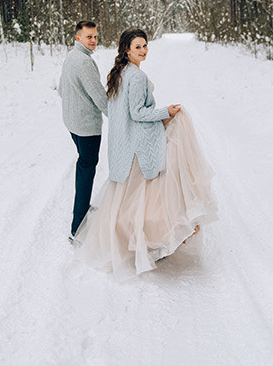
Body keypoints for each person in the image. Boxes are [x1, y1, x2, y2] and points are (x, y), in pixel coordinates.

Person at [73, 29, 217, 279]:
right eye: (138, 47)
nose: (143, 51)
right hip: (137, 144)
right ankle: (150, 240)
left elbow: (121, 112)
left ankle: (133, 240)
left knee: (128, 198)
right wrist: (166, 112)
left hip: (124, 144)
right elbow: (138, 113)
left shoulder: (119, 73)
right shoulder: (136, 77)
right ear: (126, 50)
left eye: (145, 46)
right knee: (147, 195)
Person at [58, 20, 109, 237]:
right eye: (89, 36)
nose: (93, 40)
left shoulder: (71, 57)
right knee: (86, 170)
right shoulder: (85, 63)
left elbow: (61, 89)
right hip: (87, 127)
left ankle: (84, 210)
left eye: (96, 36)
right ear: (77, 37)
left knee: (84, 165)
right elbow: (99, 95)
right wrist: (116, 116)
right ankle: (78, 226)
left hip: (72, 123)